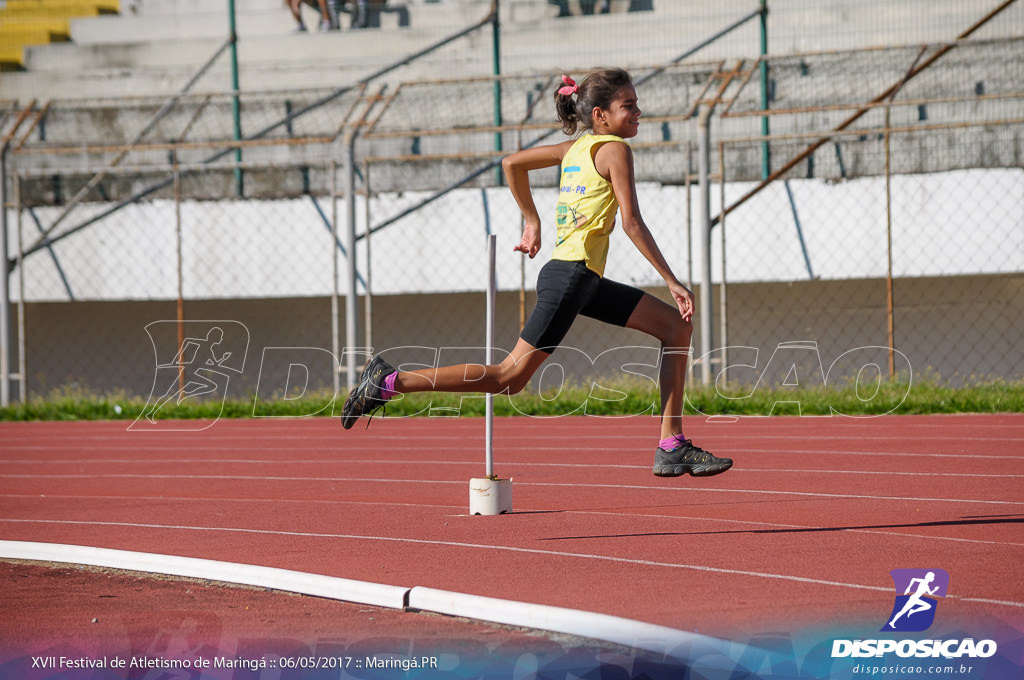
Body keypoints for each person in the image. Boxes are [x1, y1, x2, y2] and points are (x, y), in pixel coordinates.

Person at [342, 68, 733, 479]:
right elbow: (632, 222)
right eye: (628, 105)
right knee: (508, 378)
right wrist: (672, 280)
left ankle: (671, 445)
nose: (639, 112)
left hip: (578, 278)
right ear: (600, 115)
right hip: (572, 279)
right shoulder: (615, 149)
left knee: (675, 327)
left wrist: (532, 220)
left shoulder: (575, 148)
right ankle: (389, 383)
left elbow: (512, 164)